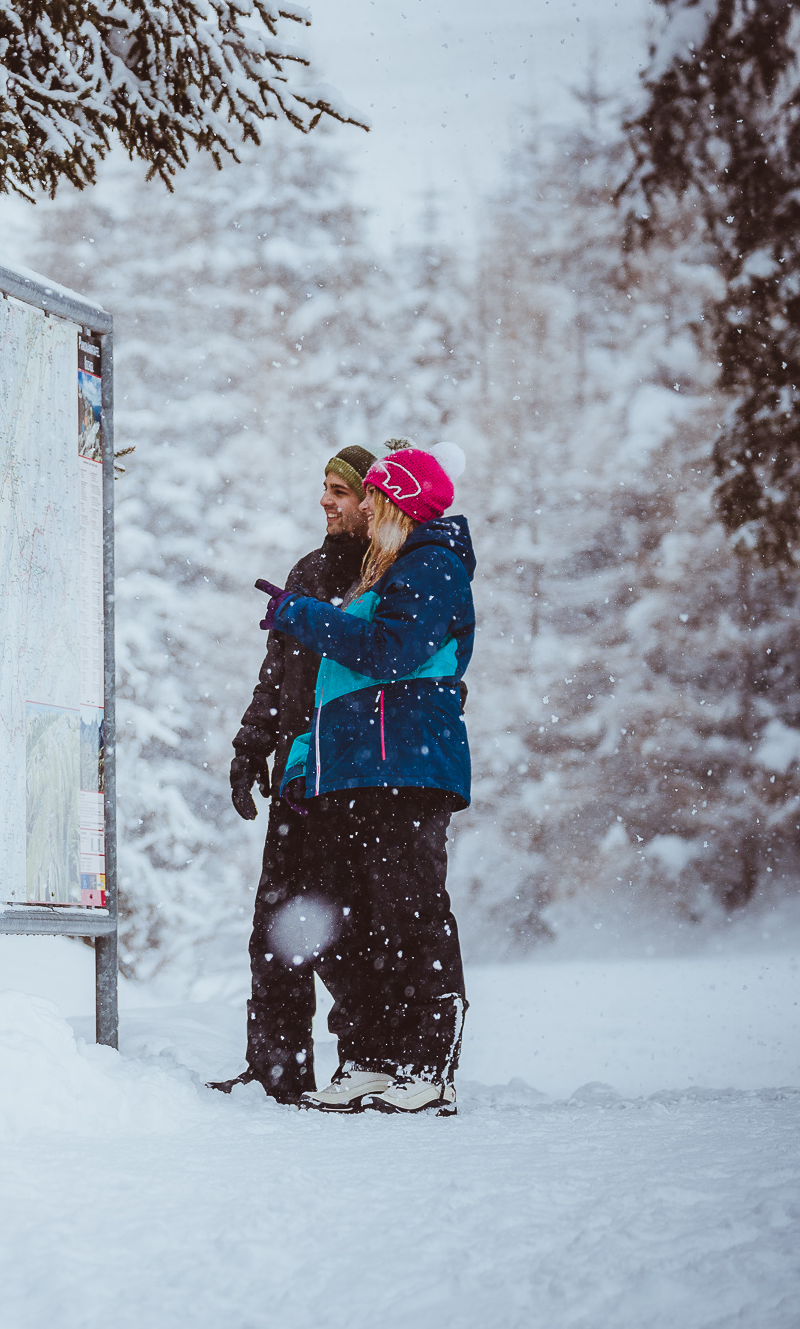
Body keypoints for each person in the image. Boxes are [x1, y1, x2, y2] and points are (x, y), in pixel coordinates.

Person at [254, 440, 475, 1115]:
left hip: (409, 766)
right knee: (367, 921)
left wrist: (301, 613)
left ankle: (428, 1062)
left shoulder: (433, 566)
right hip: (361, 770)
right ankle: (371, 1057)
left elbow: (388, 651)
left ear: (398, 503)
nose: (366, 510)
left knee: (411, 913)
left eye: (375, 498)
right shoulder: (392, 570)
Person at [210, 444, 376, 1103]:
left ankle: (366, 1065)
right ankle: (276, 1073)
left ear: (371, 498)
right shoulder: (308, 571)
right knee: (273, 924)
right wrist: (251, 748)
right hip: (297, 781)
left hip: (356, 781)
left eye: (339, 489)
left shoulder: (387, 572)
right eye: (324, 487)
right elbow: (277, 673)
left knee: (346, 928)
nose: (325, 500)